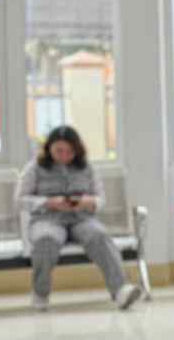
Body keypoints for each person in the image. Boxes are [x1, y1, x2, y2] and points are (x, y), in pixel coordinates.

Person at [16, 126, 144, 312]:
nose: (64, 156)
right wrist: (49, 202)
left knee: (99, 236)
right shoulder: (34, 168)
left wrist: (87, 202)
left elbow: (100, 199)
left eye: (69, 151)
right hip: (47, 219)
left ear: (77, 150)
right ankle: (40, 293)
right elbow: (20, 199)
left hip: (82, 218)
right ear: (49, 148)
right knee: (46, 240)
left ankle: (120, 290)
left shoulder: (87, 168)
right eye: (59, 150)